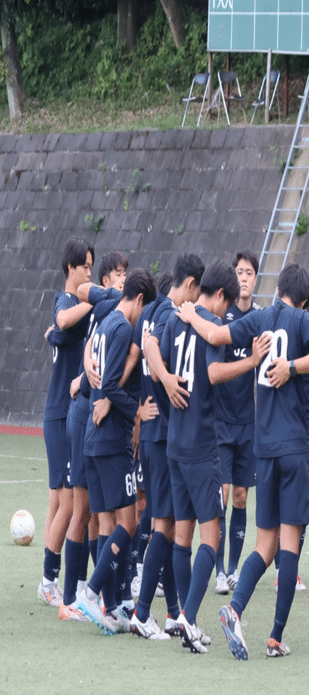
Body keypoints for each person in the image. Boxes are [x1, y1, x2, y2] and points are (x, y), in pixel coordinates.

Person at [177, 262, 309, 659]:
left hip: (263, 449)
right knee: (288, 546)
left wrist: (191, 315)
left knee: (264, 544)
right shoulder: (302, 321)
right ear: (305, 299)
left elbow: (217, 333)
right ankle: (274, 637)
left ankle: (234, 609)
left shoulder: (259, 317)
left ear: (277, 288)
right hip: (294, 449)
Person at [157, 260, 262, 654]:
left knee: (181, 534)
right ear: (219, 295)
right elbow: (214, 374)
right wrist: (251, 362)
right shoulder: (210, 329)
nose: (225, 313)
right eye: (226, 303)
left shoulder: (173, 321)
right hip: (203, 444)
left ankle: (186, 619)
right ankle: (189, 616)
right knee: (211, 535)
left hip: (174, 442)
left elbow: (160, 372)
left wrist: (169, 389)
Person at [76, 269, 157, 633]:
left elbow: (94, 362)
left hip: (94, 442)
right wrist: (135, 410)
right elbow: (110, 383)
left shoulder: (104, 322)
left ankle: (109, 608)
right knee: (129, 522)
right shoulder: (124, 326)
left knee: (108, 524)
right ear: (139, 300)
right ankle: (92, 592)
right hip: (112, 442)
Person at [133, 255, 205, 641]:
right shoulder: (166, 311)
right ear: (191, 285)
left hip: (160, 433)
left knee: (174, 523)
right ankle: (143, 612)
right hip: (161, 434)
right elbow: (149, 350)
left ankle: (175, 613)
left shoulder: (159, 310)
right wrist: (168, 382)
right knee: (164, 523)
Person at [39, 237, 94, 609]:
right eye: (86, 266)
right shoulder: (69, 302)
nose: (89, 272)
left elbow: (55, 331)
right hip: (61, 413)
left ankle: (49, 578)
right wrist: (93, 299)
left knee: (59, 500)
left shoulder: (77, 309)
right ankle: (49, 579)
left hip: (60, 412)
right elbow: (59, 320)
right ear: (72, 268)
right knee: (70, 505)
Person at [214, 250, 262, 596]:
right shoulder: (223, 319)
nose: (243, 278)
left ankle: (233, 569)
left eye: (249, 273)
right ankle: (217, 571)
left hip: (249, 424)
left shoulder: (261, 320)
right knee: (223, 495)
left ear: (256, 279)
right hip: (221, 422)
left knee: (242, 496)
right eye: (239, 272)